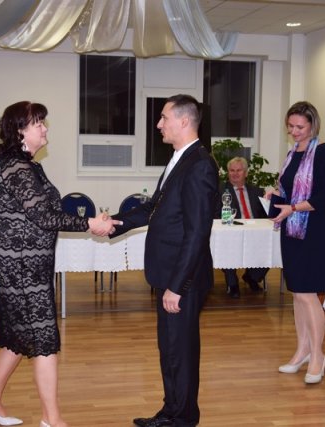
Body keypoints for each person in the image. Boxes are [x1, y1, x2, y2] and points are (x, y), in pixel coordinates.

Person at [0, 101, 118, 427]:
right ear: (20, 130)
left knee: (19, 335)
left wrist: (90, 222)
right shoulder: (17, 167)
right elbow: (44, 216)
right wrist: (89, 224)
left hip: (25, 262)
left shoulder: (25, 165)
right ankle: (51, 419)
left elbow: (43, 213)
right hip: (20, 265)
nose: (44, 128)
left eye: (43, 122)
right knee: (42, 337)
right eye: (38, 123)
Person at [111, 94, 218, 427]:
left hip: (181, 278)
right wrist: (112, 223)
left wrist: (177, 286)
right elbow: (153, 209)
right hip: (169, 273)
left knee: (180, 351)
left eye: (163, 118)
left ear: (184, 121)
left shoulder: (199, 164)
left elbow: (197, 233)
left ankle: (183, 418)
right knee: (170, 348)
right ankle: (171, 411)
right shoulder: (180, 159)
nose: (158, 124)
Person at [266, 101, 325, 385]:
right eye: (290, 126)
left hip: (314, 231)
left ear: (312, 125)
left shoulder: (324, 153)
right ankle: (302, 351)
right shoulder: (292, 154)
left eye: (300, 127)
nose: (294, 131)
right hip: (292, 231)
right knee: (297, 294)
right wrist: (275, 195)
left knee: (308, 295)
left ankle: (318, 356)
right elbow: (289, 190)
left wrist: (294, 208)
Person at [217, 156, 269, 298]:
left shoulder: (257, 191)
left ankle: (252, 277)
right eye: (231, 170)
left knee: (271, 244)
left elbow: (265, 215)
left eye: (238, 170)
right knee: (227, 246)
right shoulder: (220, 191)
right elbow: (215, 214)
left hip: (255, 232)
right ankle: (232, 284)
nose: (235, 173)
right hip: (230, 232)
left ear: (246, 173)